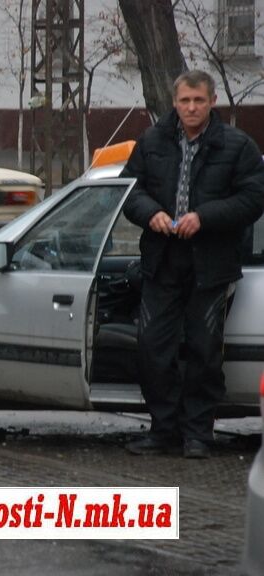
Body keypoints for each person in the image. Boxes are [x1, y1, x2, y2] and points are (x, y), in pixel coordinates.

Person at [121, 69, 264, 459]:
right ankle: (162, 430)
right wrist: (149, 212)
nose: (191, 107)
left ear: (212, 101)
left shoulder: (237, 146)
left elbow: (254, 198)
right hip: (162, 261)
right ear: (174, 102)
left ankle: (198, 434)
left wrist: (204, 216)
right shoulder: (152, 140)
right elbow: (130, 190)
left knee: (204, 351)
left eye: (199, 100)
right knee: (153, 347)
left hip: (211, 264)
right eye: (184, 100)